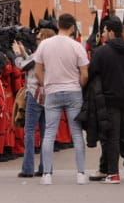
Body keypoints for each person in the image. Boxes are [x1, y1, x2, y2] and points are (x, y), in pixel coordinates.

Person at [34, 13, 90, 185]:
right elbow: (85, 73)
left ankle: (47, 174)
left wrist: (46, 85)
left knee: (49, 133)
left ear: (58, 25)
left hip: (52, 91)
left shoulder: (44, 45)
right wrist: (79, 85)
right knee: (77, 133)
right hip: (73, 90)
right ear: (72, 27)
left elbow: (37, 70)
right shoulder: (77, 46)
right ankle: (81, 173)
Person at [90, 18, 124, 183]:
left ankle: (113, 173)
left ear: (112, 32)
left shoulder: (101, 52)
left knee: (112, 135)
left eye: (106, 31)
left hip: (110, 98)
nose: (104, 34)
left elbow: (93, 73)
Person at [15, 26, 53, 178]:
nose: (37, 39)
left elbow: (22, 65)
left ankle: (28, 168)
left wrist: (17, 54)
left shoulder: (40, 53)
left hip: (35, 93)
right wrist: (25, 53)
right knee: (46, 132)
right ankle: (45, 167)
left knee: (29, 131)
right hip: (49, 95)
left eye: (39, 37)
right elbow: (30, 63)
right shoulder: (52, 54)